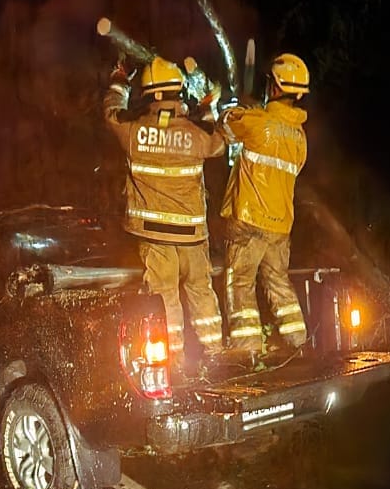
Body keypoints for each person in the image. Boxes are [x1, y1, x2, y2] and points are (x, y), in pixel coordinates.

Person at [104, 55, 226, 370]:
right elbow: (220, 141)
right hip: (193, 237)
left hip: (154, 237)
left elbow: (111, 113)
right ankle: (216, 358)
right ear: (178, 92)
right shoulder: (197, 134)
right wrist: (208, 105)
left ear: (150, 94)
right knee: (202, 294)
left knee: (166, 299)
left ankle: (175, 366)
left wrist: (120, 79)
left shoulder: (134, 131)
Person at [218, 52, 310, 361]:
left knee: (240, 283)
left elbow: (225, 127)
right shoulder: (300, 138)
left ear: (275, 86)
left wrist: (236, 107)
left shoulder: (257, 121)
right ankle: (298, 343)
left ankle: (246, 351)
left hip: (248, 222)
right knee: (278, 282)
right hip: (280, 225)